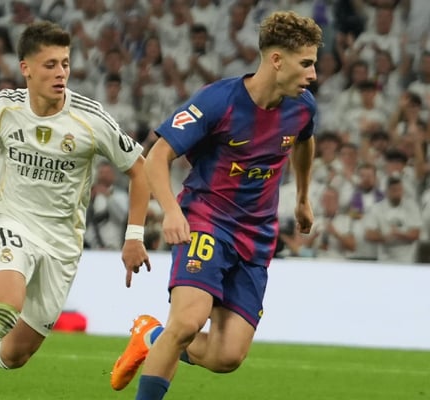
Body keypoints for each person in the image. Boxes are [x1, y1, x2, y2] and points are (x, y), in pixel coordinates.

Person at [0, 21, 151, 400]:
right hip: (10, 221)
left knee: (15, 355)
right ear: (25, 68)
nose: (61, 73)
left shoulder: (90, 118)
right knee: (3, 307)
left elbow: (139, 170)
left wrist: (134, 236)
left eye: (65, 64)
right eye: (50, 65)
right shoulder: (3, 108)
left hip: (62, 243)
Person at [110, 10, 322, 399]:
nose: (313, 74)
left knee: (227, 357)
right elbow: (156, 156)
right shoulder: (218, 101)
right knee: (187, 323)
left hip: (257, 236)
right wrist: (172, 211)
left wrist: (304, 198)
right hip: (207, 220)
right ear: (277, 60)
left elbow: (305, 141)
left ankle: (151, 335)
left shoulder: (303, 106)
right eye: (306, 63)